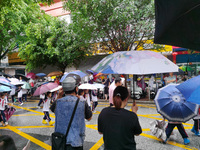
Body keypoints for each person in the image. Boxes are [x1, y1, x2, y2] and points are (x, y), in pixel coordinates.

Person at [54, 76, 92, 149]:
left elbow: (53, 110)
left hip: (60, 142)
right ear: (76, 89)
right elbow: (89, 118)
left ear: (63, 90)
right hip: (76, 142)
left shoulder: (58, 102)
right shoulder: (82, 102)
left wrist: (59, 95)